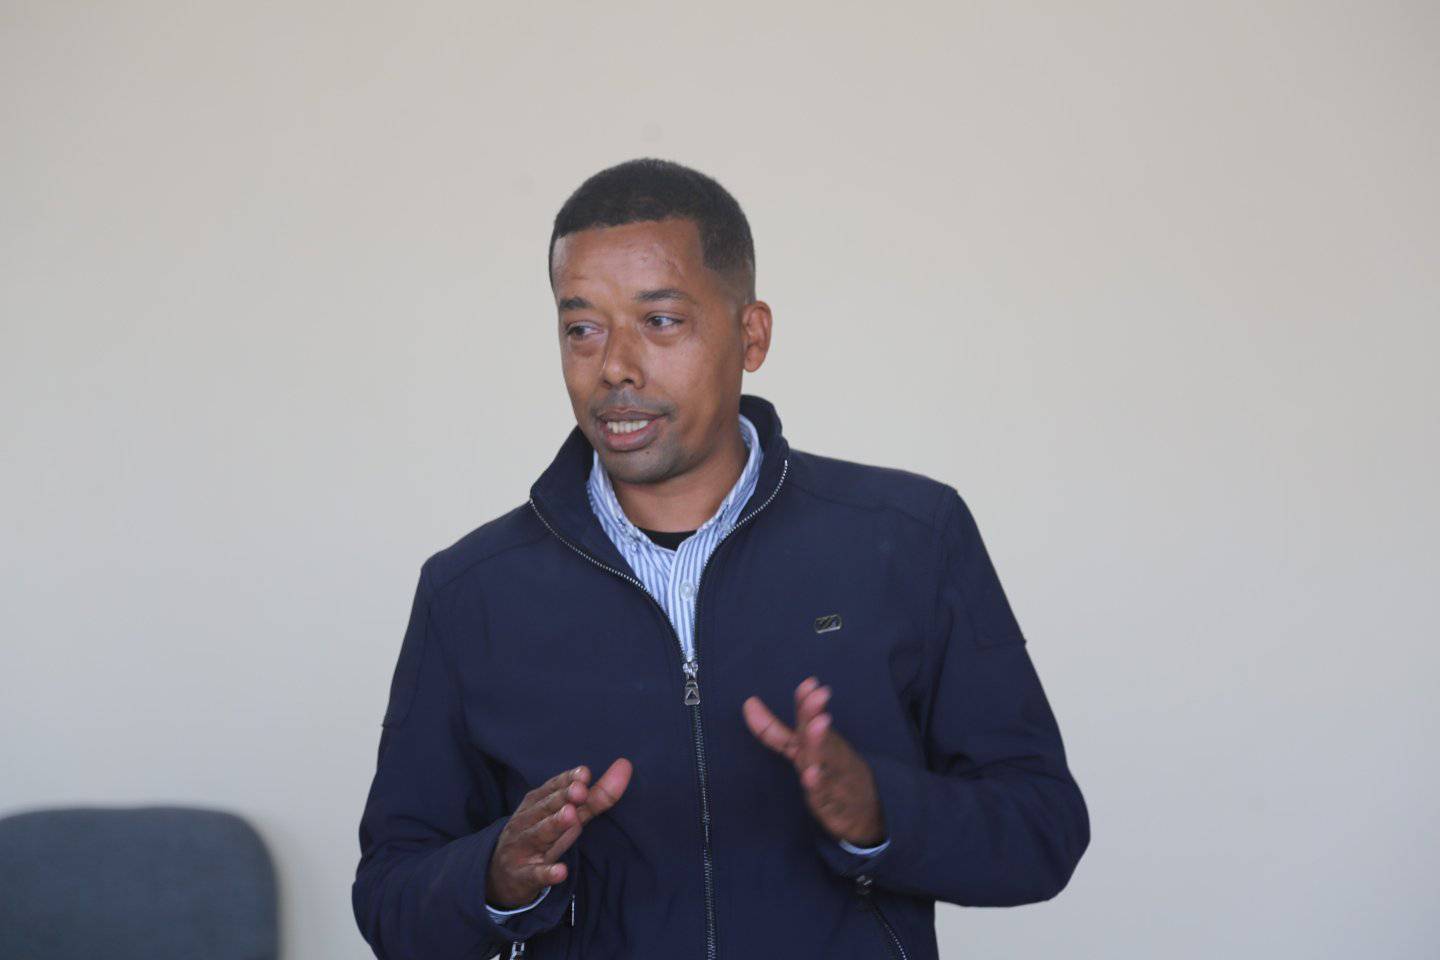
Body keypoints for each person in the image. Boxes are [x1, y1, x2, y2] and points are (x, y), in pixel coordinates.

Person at [351, 157, 1090, 960]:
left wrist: (882, 812)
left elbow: (1042, 829)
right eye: (582, 329)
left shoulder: (911, 538)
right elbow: (390, 897)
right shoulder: (472, 591)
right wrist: (495, 877)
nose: (615, 366)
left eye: (661, 320)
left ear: (752, 335)